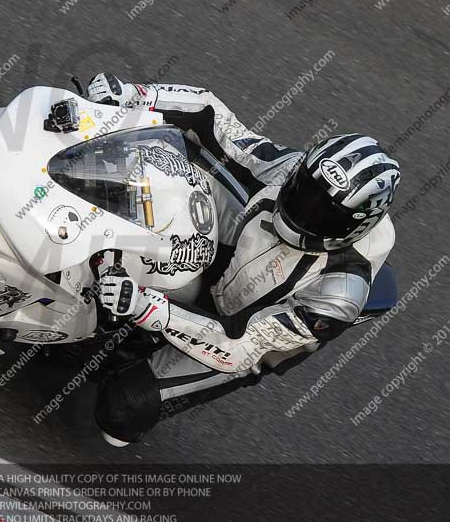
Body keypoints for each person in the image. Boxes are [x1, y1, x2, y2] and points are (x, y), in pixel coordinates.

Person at [85, 73, 401, 446]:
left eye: (321, 211)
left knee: (121, 409)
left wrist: (149, 308)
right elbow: (209, 115)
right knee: (161, 165)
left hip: (242, 335)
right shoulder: (288, 170)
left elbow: (240, 344)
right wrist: (134, 95)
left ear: (353, 227)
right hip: (230, 264)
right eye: (303, 189)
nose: (302, 205)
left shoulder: (338, 293)